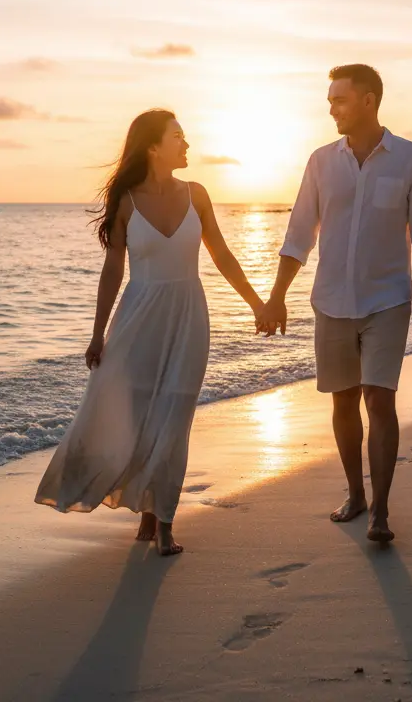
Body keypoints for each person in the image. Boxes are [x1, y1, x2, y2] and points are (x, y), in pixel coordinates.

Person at [35, 109, 264, 556]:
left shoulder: (197, 194)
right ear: (154, 146)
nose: (188, 144)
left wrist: (257, 303)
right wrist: (98, 333)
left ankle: (162, 522)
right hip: (137, 319)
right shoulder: (127, 201)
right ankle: (139, 505)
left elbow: (222, 254)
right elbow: (112, 270)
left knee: (175, 419)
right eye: (179, 137)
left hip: (188, 317)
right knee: (136, 414)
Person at [257, 64, 412, 544]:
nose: (333, 109)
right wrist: (276, 296)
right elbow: (299, 234)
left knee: (380, 399)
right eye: (330, 101)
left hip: (388, 299)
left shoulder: (411, 159)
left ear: (369, 100)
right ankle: (355, 493)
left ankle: (381, 510)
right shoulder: (321, 161)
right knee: (343, 401)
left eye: (340, 100)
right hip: (332, 300)